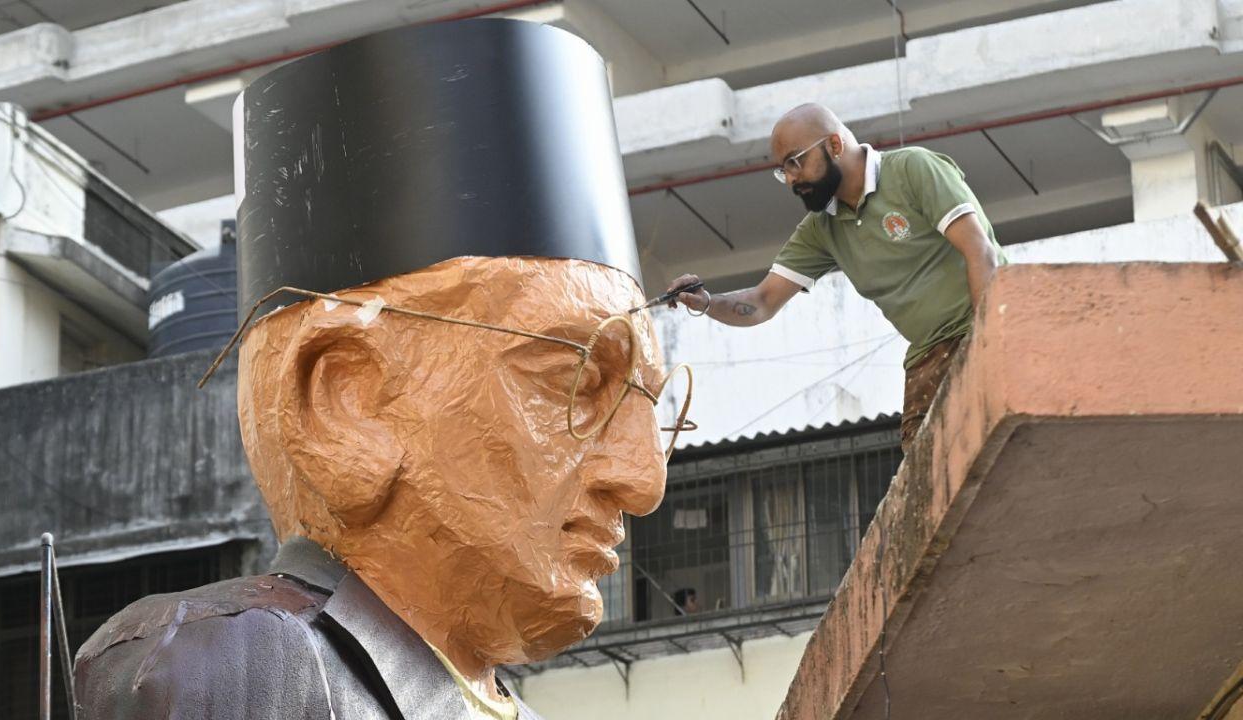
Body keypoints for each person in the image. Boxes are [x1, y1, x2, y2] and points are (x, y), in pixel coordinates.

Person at [74, 20, 686, 720]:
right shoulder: (240, 664)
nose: (644, 478)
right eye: (573, 383)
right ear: (346, 401)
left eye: (649, 406)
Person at [666, 103, 1008, 446]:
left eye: (794, 162)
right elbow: (762, 301)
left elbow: (980, 251)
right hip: (927, 356)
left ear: (834, 145)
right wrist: (707, 302)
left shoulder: (913, 169)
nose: (790, 179)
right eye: (782, 170)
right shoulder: (821, 228)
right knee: (928, 479)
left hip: (984, 328)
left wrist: (985, 346)